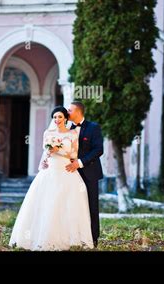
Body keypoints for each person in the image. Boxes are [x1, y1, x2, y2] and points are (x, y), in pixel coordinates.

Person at [9, 106, 94, 250]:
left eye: (60, 117)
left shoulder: (73, 134)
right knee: (47, 201)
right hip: (51, 170)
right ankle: (43, 238)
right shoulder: (47, 133)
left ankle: (71, 238)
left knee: (68, 201)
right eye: (54, 117)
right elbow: (46, 152)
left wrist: (59, 150)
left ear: (65, 118)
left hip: (66, 169)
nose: (57, 120)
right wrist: (45, 159)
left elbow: (73, 155)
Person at [66, 101, 104, 248]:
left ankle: (93, 239)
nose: (67, 112)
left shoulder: (93, 128)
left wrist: (80, 162)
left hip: (89, 173)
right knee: (71, 205)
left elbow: (98, 150)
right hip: (69, 173)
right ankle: (73, 237)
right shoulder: (65, 127)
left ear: (78, 111)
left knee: (91, 206)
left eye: (69, 110)